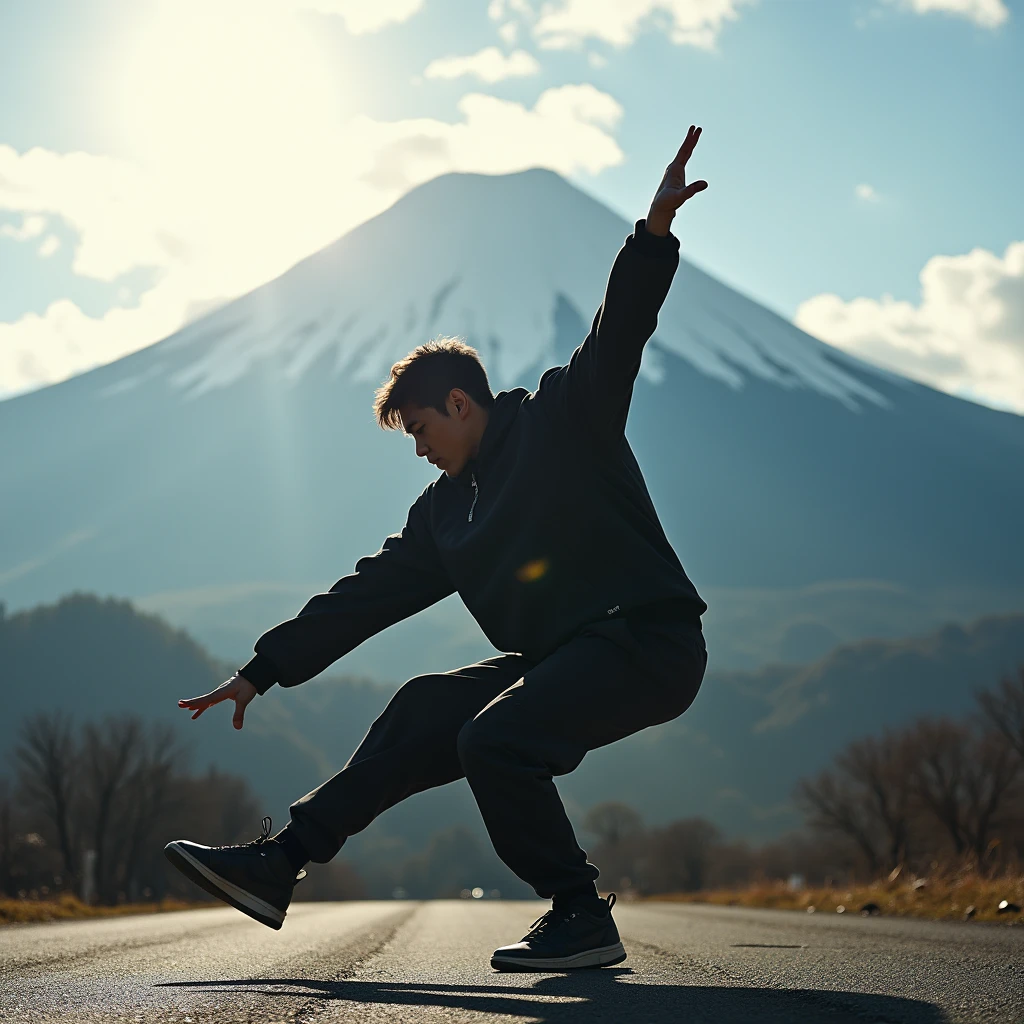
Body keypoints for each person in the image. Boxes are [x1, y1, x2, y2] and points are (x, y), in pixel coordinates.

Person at [165, 125, 710, 972]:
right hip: (566, 653)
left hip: (648, 640)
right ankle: (282, 862)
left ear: (460, 404)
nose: (418, 449)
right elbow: (365, 596)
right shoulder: (444, 514)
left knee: (493, 739)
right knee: (425, 707)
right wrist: (261, 669)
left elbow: (619, 333)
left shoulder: (566, 420)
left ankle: (578, 912)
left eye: (419, 429)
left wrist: (651, 237)